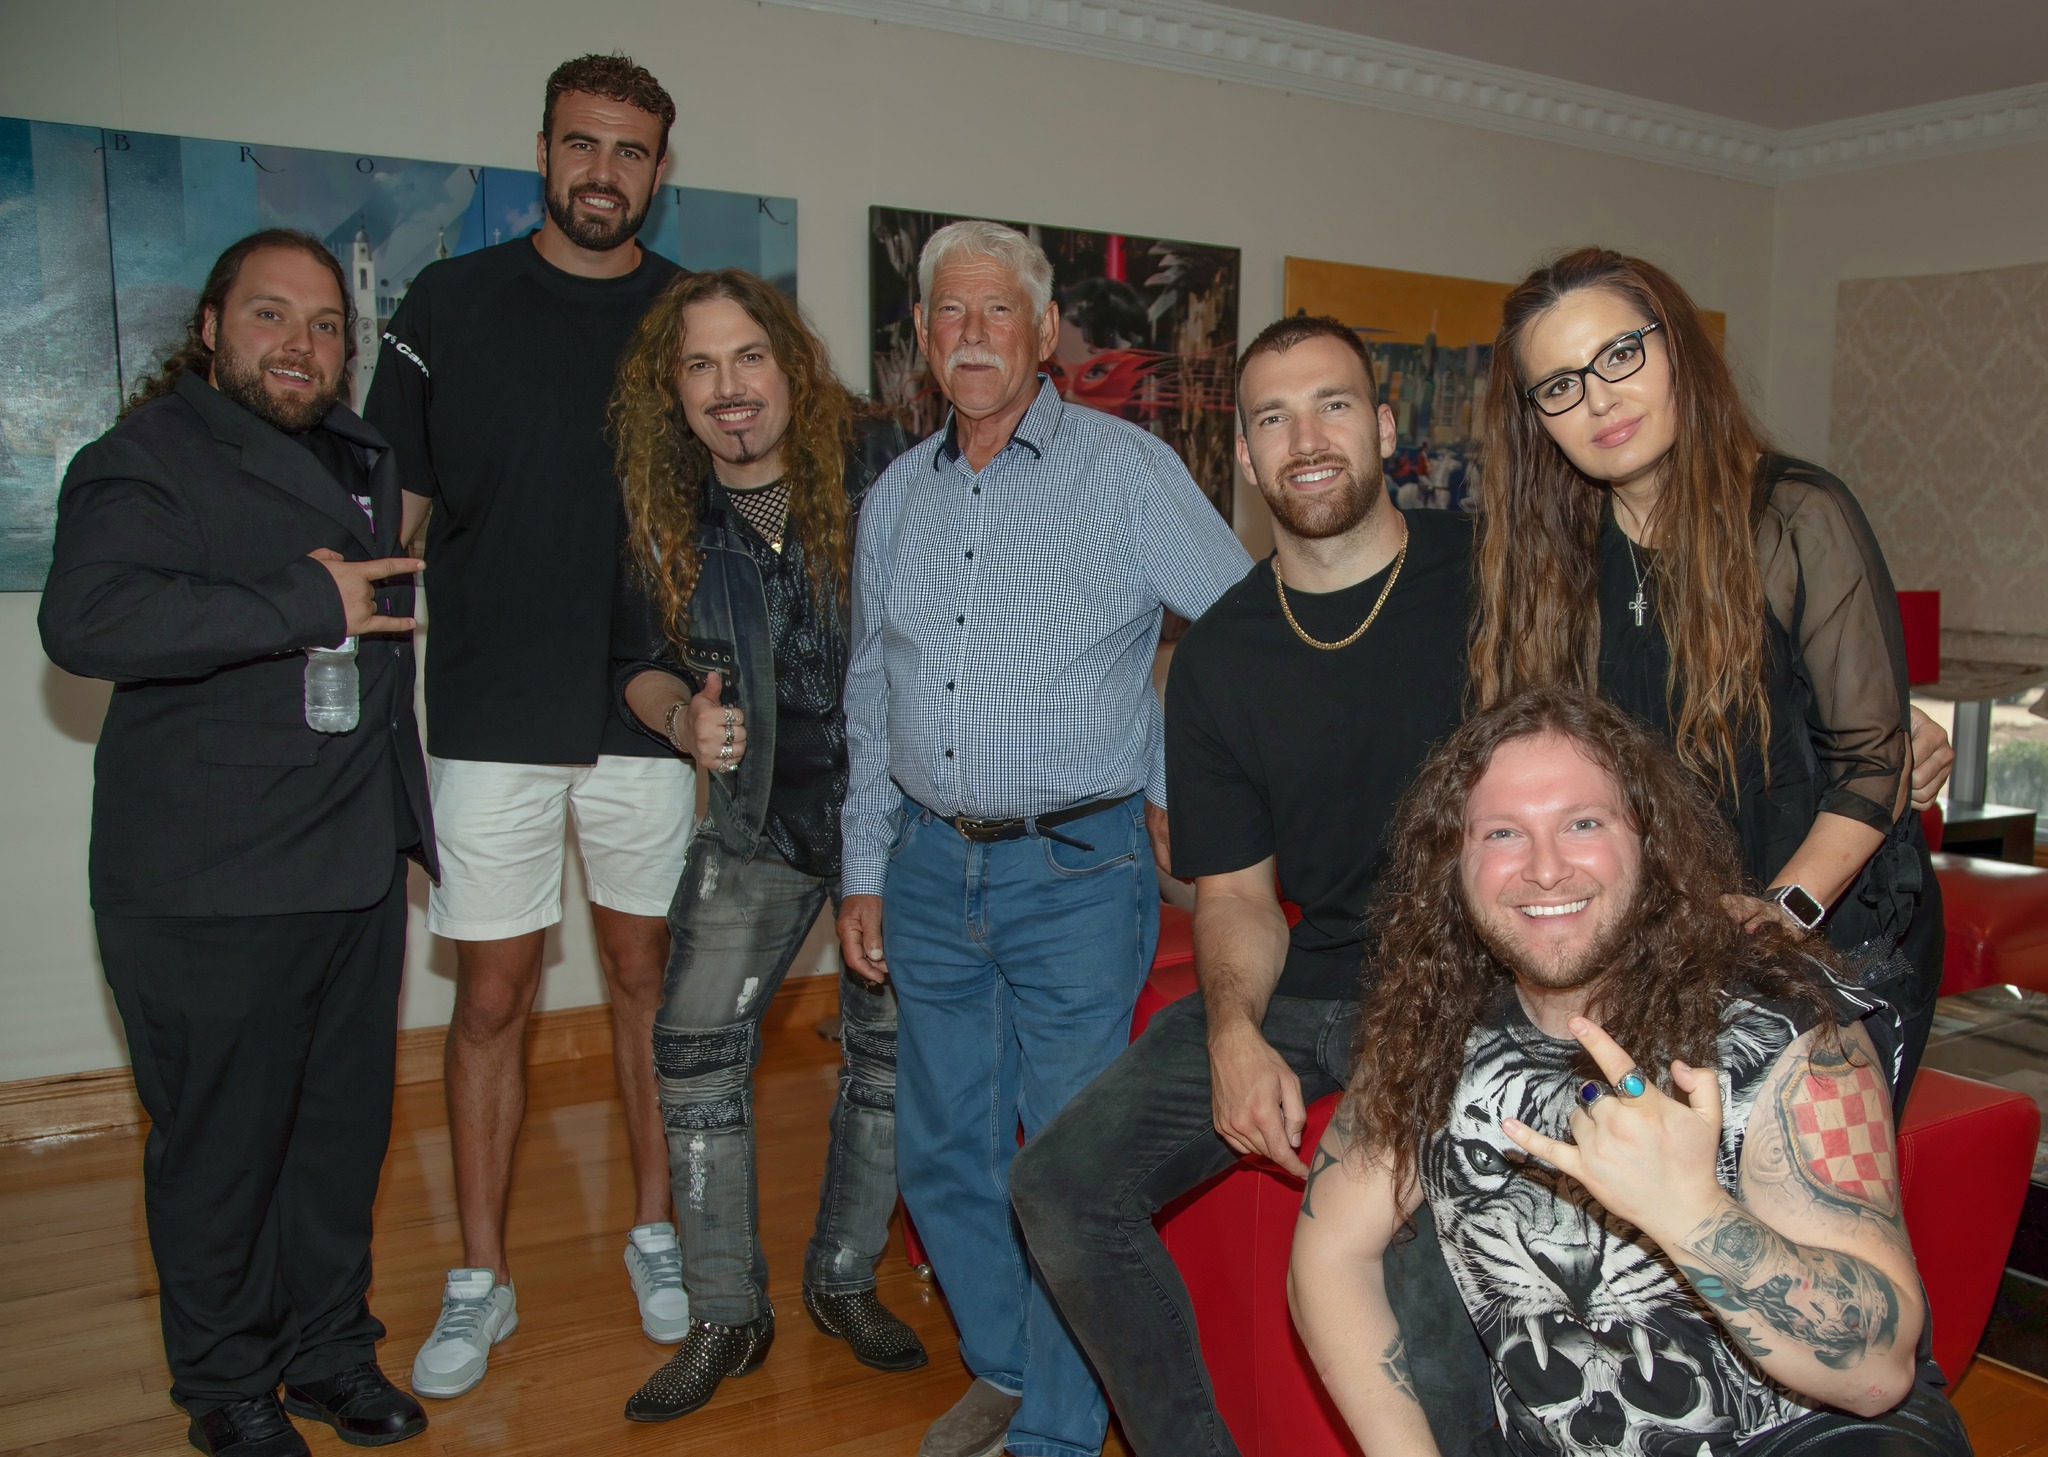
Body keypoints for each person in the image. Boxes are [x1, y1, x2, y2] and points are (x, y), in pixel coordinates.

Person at [1010, 315, 1492, 1457]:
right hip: (1310, 981)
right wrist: (1231, 1030)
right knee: (1060, 1185)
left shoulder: (1492, 580)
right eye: (1273, 418)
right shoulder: (1220, 652)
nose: (1305, 439)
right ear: (1242, 454)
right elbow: (1233, 893)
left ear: (1384, 427)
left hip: (1467, 986)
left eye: (1333, 405)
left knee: (1411, 1255)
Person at [1290, 686, 1970, 1456]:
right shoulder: (1434, 1032)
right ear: (1455, 860)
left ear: (1648, 836)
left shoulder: (1787, 1029)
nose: (1547, 869)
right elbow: (1330, 1253)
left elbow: (1877, 1372)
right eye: (1504, 832)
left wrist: (1691, 1211)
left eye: (1583, 823)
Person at [837, 219, 1251, 1457]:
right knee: (941, 1153)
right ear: (922, 337)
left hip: (1076, 869)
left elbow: (1238, 633)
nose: (971, 334)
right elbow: (867, 692)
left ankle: (1060, 1435)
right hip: (925, 866)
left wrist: (1174, 781)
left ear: (1045, 332)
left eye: (996, 311)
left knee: (1067, 1165)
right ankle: (1014, 1367)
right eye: (948, 313)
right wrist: (861, 866)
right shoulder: (894, 498)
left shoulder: (1124, 471)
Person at [40, 230, 434, 1457]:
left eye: (325, 325)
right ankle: (225, 1385)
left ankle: (327, 1350)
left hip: (348, 864)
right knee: (220, 1154)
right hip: (209, 882)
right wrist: (304, 601)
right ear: (210, 327)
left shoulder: (357, 454)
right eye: (270, 315)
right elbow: (87, 618)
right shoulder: (143, 457)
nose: (300, 345)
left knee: (336, 1140)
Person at [364, 54, 694, 1396]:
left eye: (630, 151)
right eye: (582, 144)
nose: (603, 172)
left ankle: (658, 1232)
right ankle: (480, 1275)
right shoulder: (448, 303)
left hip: (651, 711)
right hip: (489, 712)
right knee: (492, 996)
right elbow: (392, 522)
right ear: (545, 150)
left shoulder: (693, 316)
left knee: (645, 984)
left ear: (658, 169)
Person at [1468, 248, 1946, 1100]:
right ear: (1536, 417)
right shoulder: (1549, 559)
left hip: (1826, 919)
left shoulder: (1794, 517)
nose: (1599, 399)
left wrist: (1781, 911)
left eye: (1621, 354)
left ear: (1676, 348)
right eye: (1560, 385)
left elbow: (1876, 761)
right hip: (1662, 943)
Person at [603, 269, 925, 1420]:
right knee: (692, 1052)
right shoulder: (659, 509)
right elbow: (634, 664)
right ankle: (724, 1312)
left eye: (747, 356)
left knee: (885, 1059)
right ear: (674, 391)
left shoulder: (882, 470)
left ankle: (842, 1278)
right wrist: (677, 720)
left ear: (787, 364)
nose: (728, 386)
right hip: (754, 826)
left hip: (892, 822)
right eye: (699, 365)